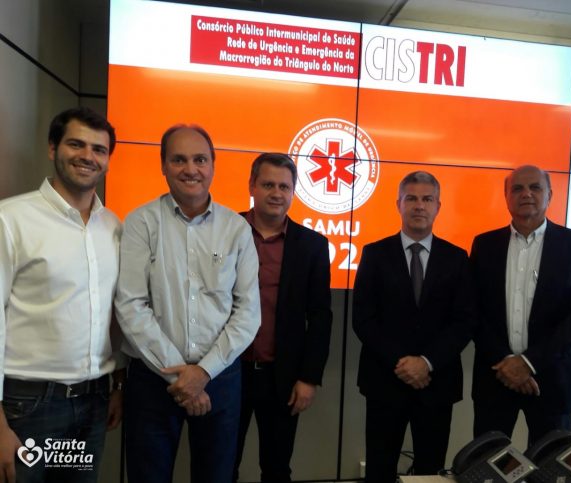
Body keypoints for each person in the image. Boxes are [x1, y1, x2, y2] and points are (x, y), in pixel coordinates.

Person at [115, 124, 260, 483]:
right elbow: (131, 304)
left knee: (216, 477)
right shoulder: (140, 222)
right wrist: (180, 375)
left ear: (213, 165)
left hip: (220, 376)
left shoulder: (236, 229)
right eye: (178, 159)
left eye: (200, 159)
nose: (190, 169)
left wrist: (203, 372)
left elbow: (247, 312)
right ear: (163, 165)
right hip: (153, 378)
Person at [0, 107, 125, 483]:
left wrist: (118, 384)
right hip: (27, 406)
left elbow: (116, 314)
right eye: (76, 144)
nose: (88, 156)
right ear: (53, 148)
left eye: (99, 149)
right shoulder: (11, 220)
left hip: (93, 402)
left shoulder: (114, 227)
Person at [353, 171, 475, 481]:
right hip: (385, 381)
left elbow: (464, 321)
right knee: (379, 469)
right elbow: (363, 319)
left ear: (438, 206)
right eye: (411, 198)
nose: (419, 205)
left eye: (427, 199)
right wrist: (403, 363)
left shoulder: (457, 258)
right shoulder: (374, 253)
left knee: (429, 471)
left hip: (437, 382)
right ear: (398, 204)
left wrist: (427, 363)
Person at [470, 165, 571, 446]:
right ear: (506, 197)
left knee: (549, 464)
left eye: (535, 187)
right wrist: (508, 364)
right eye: (517, 188)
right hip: (497, 377)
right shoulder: (485, 245)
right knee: (489, 462)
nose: (526, 194)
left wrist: (527, 363)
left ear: (549, 195)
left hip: (554, 379)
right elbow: (473, 312)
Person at [234, 153, 332, 482]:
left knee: (277, 469)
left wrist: (309, 378)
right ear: (252, 186)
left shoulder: (313, 245)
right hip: (227, 372)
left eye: (284, 187)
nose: (276, 193)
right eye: (268, 185)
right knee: (220, 466)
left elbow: (320, 316)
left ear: (293, 191)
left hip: (282, 377)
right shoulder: (225, 231)